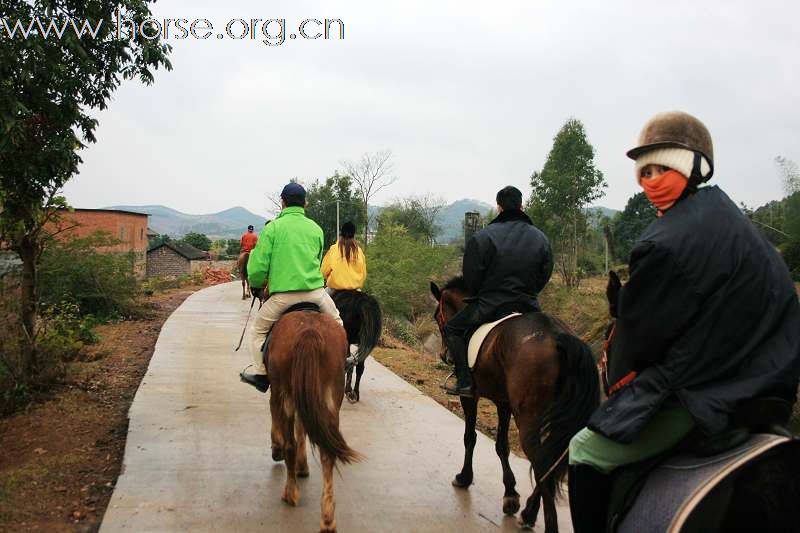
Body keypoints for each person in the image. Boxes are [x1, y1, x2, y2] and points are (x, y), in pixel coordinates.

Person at [567, 111, 800, 533]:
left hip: (703, 391)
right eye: (645, 173)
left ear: (691, 167)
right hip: (770, 384)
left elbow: (639, 338)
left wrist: (622, 375)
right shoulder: (742, 229)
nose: (651, 181)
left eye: (663, 169)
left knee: (585, 450)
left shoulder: (665, 242)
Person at [441, 185, 553, 397]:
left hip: (490, 305)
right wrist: (529, 292)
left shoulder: (483, 237)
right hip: (528, 305)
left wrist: (485, 292)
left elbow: (471, 278)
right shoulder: (541, 238)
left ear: (499, 208)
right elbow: (544, 273)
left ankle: (464, 381)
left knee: (453, 329)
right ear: (521, 206)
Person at [239, 183, 344, 393]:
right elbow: (316, 258)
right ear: (306, 203)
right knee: (339, 326)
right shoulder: (316, 229)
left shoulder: (273, 228)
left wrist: (258, 284)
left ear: (282, 202)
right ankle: (344, 362)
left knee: (257, 331)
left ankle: (261, 374)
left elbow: (258, 268)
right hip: (316, 294)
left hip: (282, 298)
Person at [320, 221, 367, 297]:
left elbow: (323, 271)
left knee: (318, 304)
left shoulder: (333, 249)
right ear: (353, 235)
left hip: (334, 289)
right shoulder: (359, 251)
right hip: (355, 290)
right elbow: (364, 274)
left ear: (341, 234)